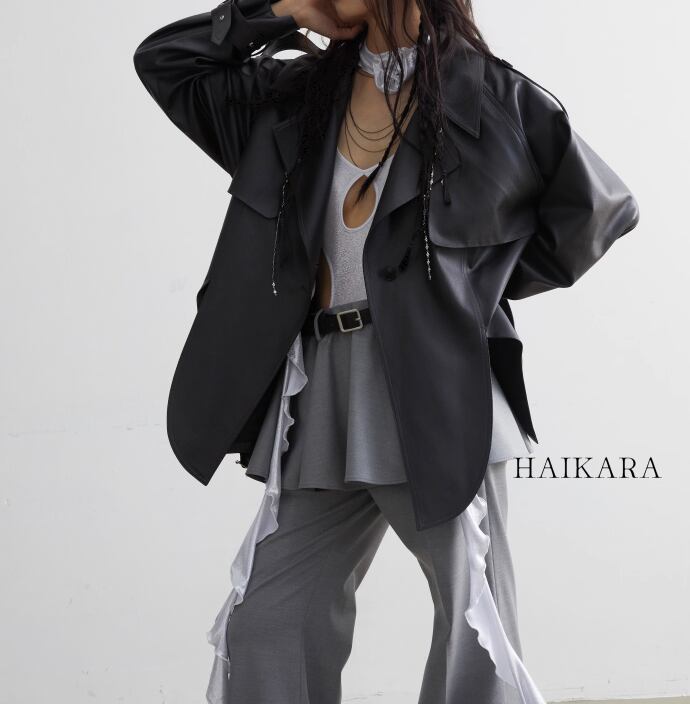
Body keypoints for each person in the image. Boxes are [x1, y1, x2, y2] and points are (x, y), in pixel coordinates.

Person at [133, 0, 639, 700]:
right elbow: (168, 63)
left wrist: (466, 285)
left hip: (437, 389)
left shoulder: (491, 98)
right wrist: (280, 9)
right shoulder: (297, 96)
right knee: (269, 621)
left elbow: (602, 209)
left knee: (475, 631)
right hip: (320, 392)